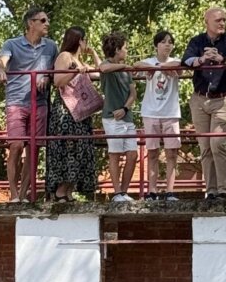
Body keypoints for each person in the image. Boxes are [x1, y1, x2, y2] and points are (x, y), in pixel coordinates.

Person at [182, 6, 226, 200]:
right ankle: (210, 191)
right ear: (207, 22)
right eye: (218, 20)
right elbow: (186, 60)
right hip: (200, 99)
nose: (222, 23)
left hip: (221, 99)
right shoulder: (197, 41)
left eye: (224, 20)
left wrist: (223, 59)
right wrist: (202, 59)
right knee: (205, 146)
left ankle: (224, 190)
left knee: (218, 143)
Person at [0, 7, 57, 201]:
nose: (47, 24)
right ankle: (14, 195)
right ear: (31, 23)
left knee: (34, 149)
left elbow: (56, 70)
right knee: (16, 145)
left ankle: (23, 196)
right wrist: (0, 69)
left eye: (47, 20)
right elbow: (1, 61)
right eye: (43, 20)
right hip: (16, 101)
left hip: (40, 102)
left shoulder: (51, 46)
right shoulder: (11, 44)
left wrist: (47, 77)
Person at [46, 26, 101, 202]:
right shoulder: (65, 56)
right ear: (80, 40)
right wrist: (75, 71)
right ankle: (60, 191)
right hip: (66, 111)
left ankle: (69, 191)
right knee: (68, 148)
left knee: (81, 149)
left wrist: (93, 54)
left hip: (80, 112)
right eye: (86, 40)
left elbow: (100, 71)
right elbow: (58, 80)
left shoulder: (79, 61)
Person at [135, 30, 183, 200]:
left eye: (170, 42)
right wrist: (154, 67)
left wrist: (160, 68)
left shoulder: (175, 61)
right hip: (151, 112)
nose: (167, 45)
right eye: (163, 42)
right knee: (153, 153)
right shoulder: (149, 61)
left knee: (172, 153)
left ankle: (170, 191)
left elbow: (180, 66)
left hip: (171, 112)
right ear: (156, 45)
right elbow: (136, 65)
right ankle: (152, 191)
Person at [98, 32, 138, 202]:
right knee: (114, 154)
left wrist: (125, 108)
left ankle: (124, 191)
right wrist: (125, 66)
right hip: (111, 117)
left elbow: (133, 93)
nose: (127, 51)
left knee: (133, 154)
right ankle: (117, 193)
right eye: (125, 48)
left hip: (126, 116)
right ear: (117, 50)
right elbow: (103, 68)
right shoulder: (108, 65)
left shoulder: (126, 71)